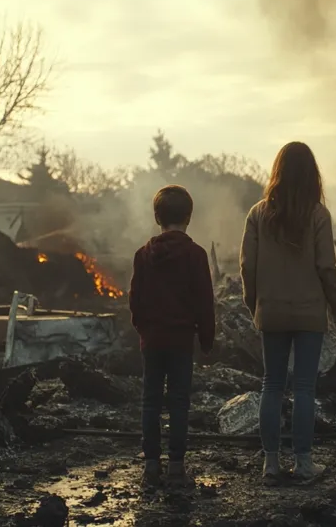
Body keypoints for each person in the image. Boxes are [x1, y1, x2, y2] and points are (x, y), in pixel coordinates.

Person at [240, 141, 336, 486]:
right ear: (311, 175)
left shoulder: (257, 214)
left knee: (271, 384)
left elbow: (246, 266)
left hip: (270, 311)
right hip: (309, 313)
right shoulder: (318, 215)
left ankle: (271, 464)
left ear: (278, 172)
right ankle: (303, 464)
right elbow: (327, 268)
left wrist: (254, 302)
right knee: (304, 387)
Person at [129, 184, 216, 490]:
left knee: (150, 402)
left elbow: (135, 301)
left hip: (152, 341)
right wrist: (207, 340)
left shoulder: (143, 255)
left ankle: (151, 467)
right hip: (181, 341)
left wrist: (143, 330)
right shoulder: (196, 255)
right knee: (179, 402)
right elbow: (205, 301)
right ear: (189, 217)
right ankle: (177, 467)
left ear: (157, 217)